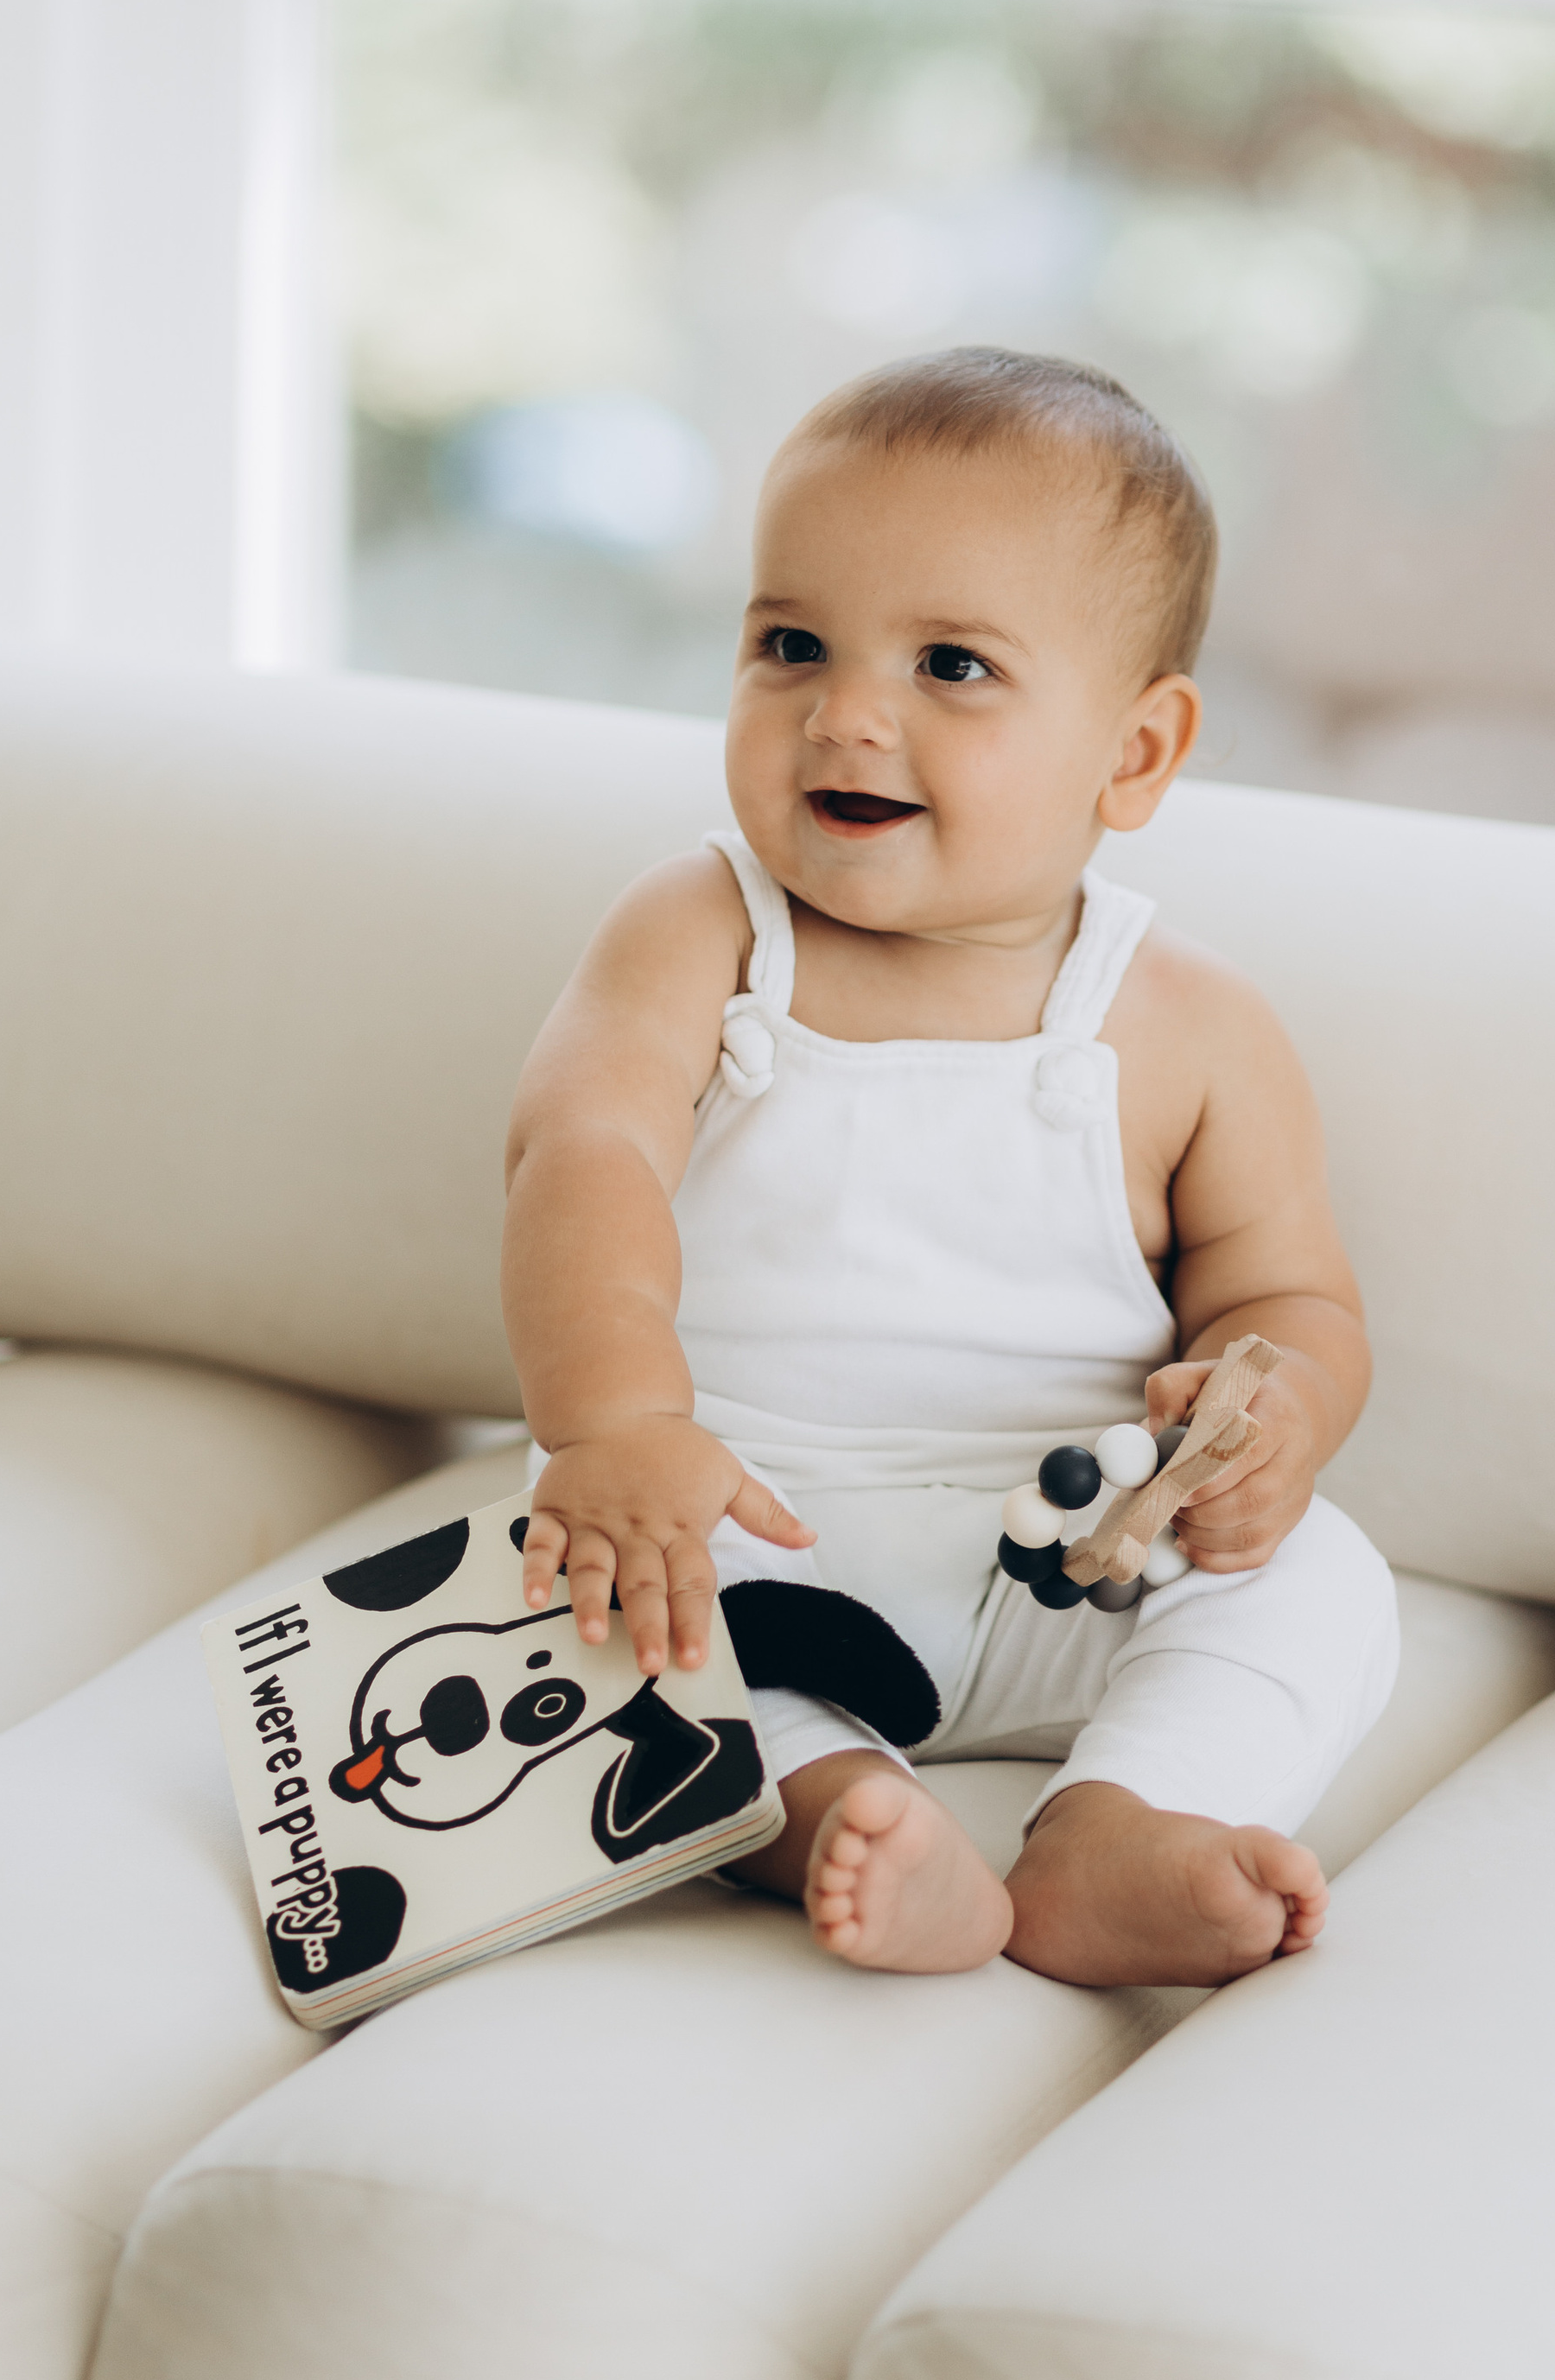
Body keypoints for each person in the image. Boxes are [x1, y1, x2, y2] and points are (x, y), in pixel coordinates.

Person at [502, 346, 1398, 1988]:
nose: (846, 713)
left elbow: (1288, 1292)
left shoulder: (1190, 1026)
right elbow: (582, 1149)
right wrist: (619, 1425)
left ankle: (1125, 1823)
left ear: (1135, 753)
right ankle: (844, 1817)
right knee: (585, 1638)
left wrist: (1278, 1416)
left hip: (1067, 1550)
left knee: (1324, 1582)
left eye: (953, 666)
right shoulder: (701, 934)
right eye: (791, 644)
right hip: (747, 1526)